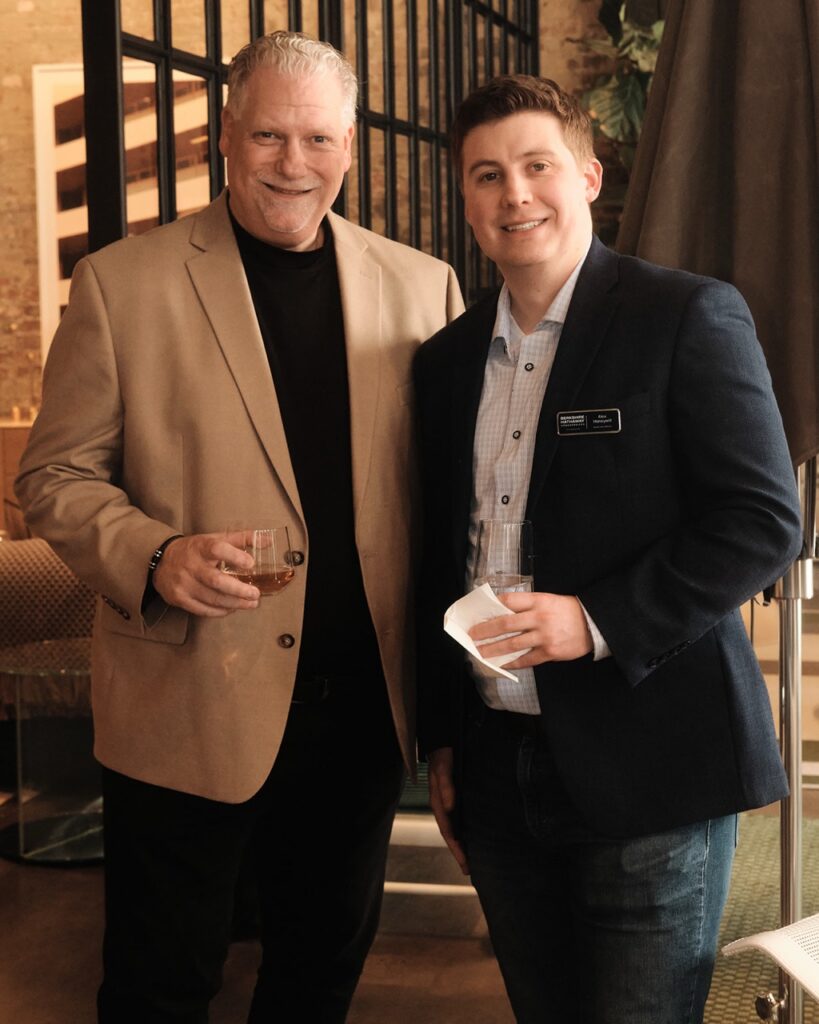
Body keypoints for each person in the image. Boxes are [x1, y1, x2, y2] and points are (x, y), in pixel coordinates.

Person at [16, 31, 463, 1024]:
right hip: (188, 695)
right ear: (225, 135)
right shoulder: (121, 285)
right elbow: (52, 476)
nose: (293, 164)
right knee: (158, 982)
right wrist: (155, 553)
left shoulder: (424, 287)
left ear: (350, 145)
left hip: (357, 710)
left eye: (317, 138)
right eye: (268, 135)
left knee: (317, 976)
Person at [413, 74, 802, 1024]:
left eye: (537, 166)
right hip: (497, 767)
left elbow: (762, 520)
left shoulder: (686, 315)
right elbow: (437, 555)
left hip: (651, 765)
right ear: (464, 199)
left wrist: (592, 620)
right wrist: (442, 741)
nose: (515, 195)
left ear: (587, 176)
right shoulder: (443, 362)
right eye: (487, 175)